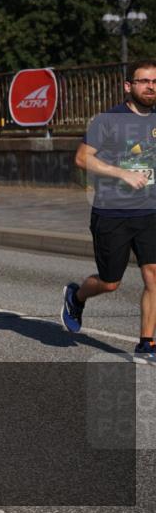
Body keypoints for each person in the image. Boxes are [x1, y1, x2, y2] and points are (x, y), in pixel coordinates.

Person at [64, 59, 156, 360]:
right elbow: (82, 159)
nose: (151, 87)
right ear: (128, 86)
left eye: (155, 82)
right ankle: (77, 297)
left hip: (150, 212)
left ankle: (147, 343)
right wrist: (123, 174)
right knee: (110, 282)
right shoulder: (107, 120)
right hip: (112, 213)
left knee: (154, 275)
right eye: (144, 81)